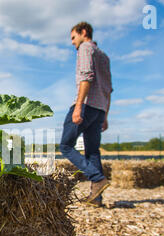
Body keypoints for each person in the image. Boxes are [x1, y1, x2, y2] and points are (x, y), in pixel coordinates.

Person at [60, 22, 113, 207]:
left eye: (73, 37)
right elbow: (108, 90)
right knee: (92, 152)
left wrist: (78, 107)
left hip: (86, 105)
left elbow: (86, 77)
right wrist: (105, 115)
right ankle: (96, 198)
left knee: (66, 146)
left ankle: (97, 178)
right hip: (99, 109)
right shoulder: (104, 56)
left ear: (84, 33)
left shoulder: (85, 48)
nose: (73, 42)